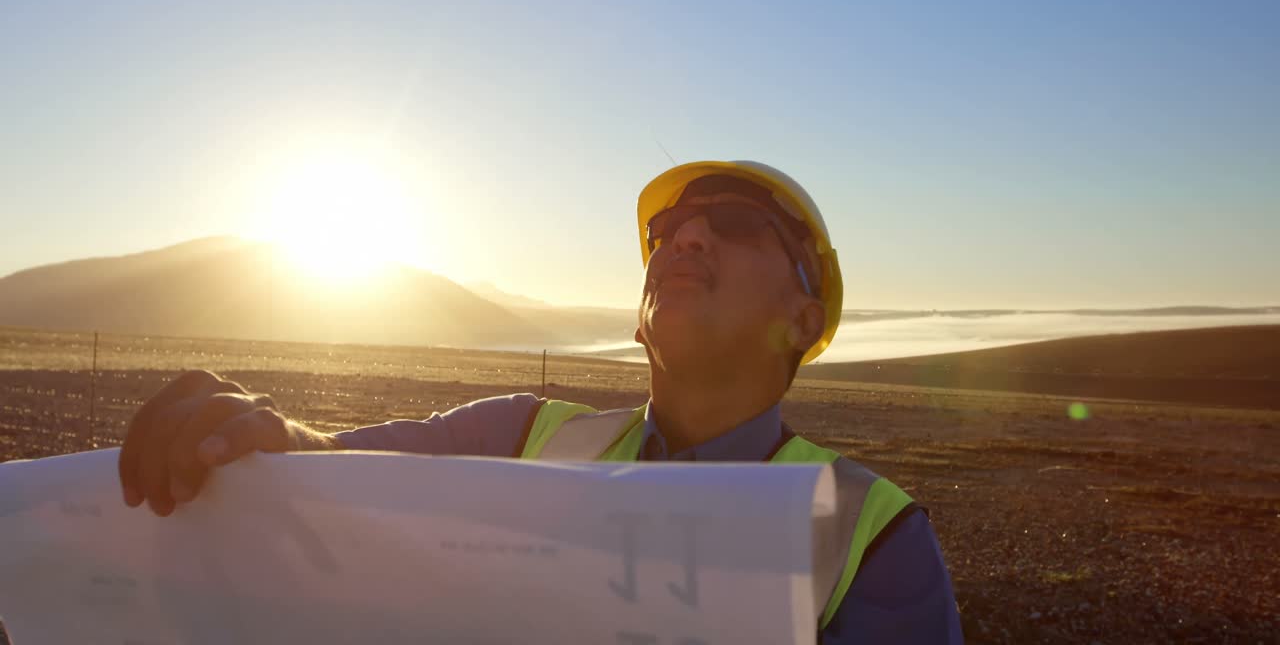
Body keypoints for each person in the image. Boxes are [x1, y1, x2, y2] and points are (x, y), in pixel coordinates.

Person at [118, 160, 964, 643]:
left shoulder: (874, 537)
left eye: (737, 224)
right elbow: (341, 473)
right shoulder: (519, 433)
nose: (685, 238)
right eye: (668, 233)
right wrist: (252, 434)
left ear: (802, 318)